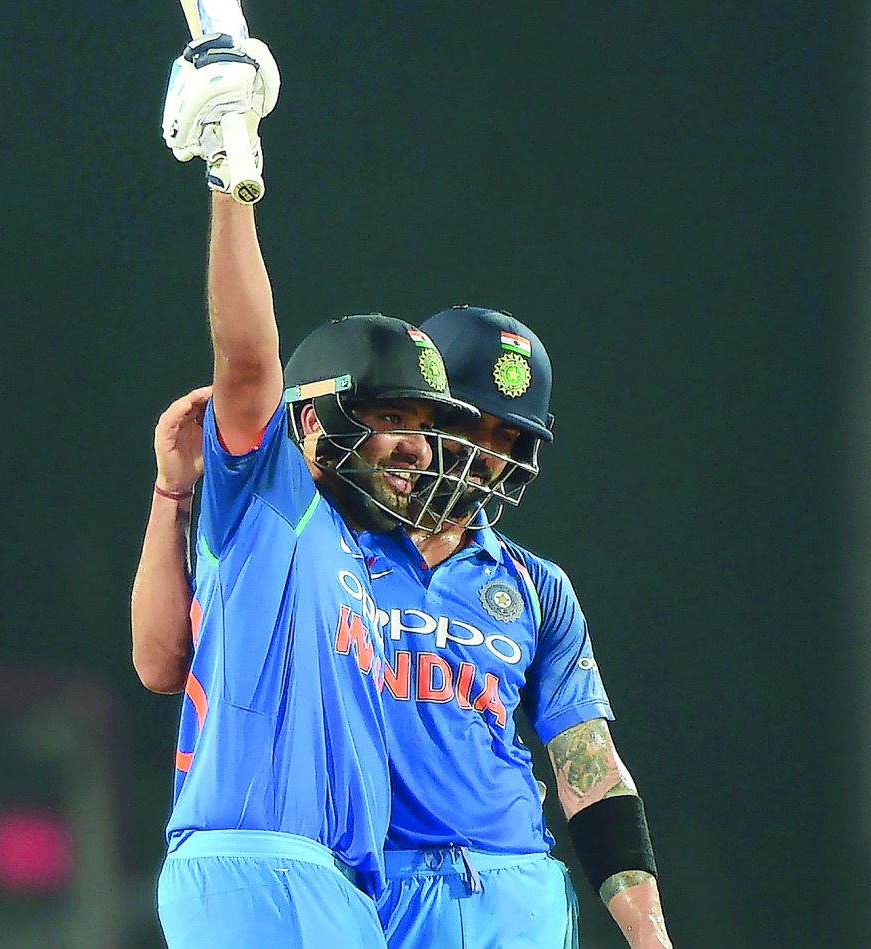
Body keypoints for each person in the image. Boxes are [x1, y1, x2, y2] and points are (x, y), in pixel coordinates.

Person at [136, 309, 675, 949]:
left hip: (516, 884)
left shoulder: (535, 585)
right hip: (373, 884)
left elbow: (591, 766)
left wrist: (648, 934)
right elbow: (171, 665)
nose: (486, 457)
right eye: (469, 425)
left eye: (510, 439)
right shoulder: (316, 540)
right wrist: (172, 494)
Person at [139, 35, 478, 949]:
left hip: (326, 886)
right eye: (396, 417)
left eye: (425, 424)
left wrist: (170, 501)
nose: (417, 446)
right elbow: (248, 358)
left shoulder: (371, 560)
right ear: (320, 421)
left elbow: (159, 663)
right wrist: (232, 176)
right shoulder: (279, 493)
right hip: (260, 865)